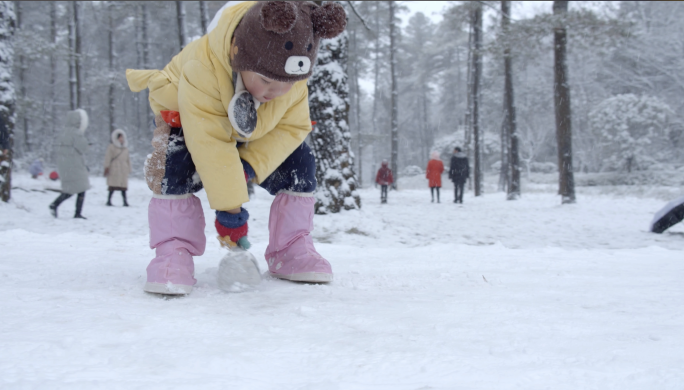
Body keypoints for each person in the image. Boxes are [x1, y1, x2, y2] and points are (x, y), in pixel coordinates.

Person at [125, 1, 347, 294]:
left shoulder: (290, 79)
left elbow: (293, 127)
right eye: (267, 80)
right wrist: (230, 213)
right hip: (189, 120)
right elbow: (211, 144)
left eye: (287, 84)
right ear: (237, 55)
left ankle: (290, 249)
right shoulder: (202, 69)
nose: (276, 92)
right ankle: (173, 250)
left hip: (251, 130)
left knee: (300, 160)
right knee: (172, 160)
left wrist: (250, 165)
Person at [50, 109, 91, 219]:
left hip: (64, 165)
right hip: (75, 164)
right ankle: (76, 212)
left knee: (71, 189)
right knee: (81, 188)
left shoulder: (62, 132)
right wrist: (88, 144)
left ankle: (55, 205)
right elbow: (83, 148)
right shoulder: (76, 133)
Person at [103, 129, 132, 207]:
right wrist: (107, 167)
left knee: (123, 187)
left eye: (122, 137)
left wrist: (129, 168)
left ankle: (125, 202)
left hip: (123, 169)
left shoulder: (125, 148)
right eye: (120, 138)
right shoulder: (112, 147)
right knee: (112, 186)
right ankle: (108, 201)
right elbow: (108, 157)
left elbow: (128, 159)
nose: (121, 139)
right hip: (114, 168)